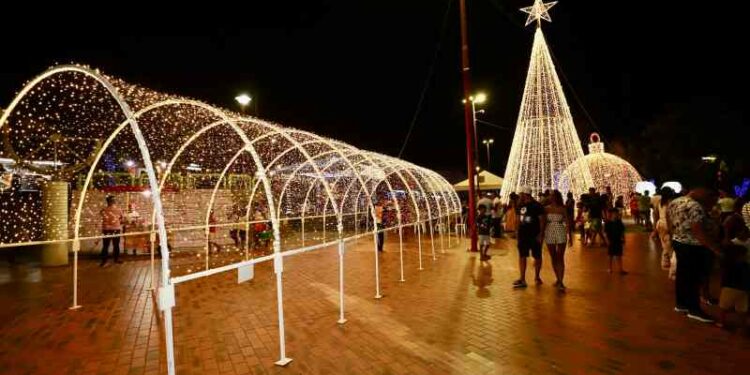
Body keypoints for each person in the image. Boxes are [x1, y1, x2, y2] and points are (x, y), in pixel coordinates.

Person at [668, 188, 721, 323]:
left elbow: (670, 221)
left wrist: (672, 237)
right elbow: (698, 231)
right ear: (702, 194)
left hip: (679, 241)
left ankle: (681, 304)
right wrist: (715, 248)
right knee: (693, 278)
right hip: (693, 246)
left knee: (683, 275)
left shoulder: (675, 202)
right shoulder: (696, 207)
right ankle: (694, 309)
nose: (710, 203)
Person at [717, 227, 749, 330]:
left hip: (729, 288)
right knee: (742, 310)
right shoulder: (745, 266)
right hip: (743, 289)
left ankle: (721, 322)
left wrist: (722, 286)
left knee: (723, 307)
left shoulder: (729, 265)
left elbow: (724, 276)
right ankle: (743, 325)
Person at [513, 187, 545, 289]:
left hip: (534, 234)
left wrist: (540, 234)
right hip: (523, 234)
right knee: (522, 255)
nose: (519, 196)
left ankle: (537, 276)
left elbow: (542, 221)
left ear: (525, 194)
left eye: (521, 194)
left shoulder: (537, 205)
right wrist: (517, 232)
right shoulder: (520, 205)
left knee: (537, 256)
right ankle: (522, 279)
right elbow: (518, 220)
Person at [542, 190, 572, 291]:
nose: (551, 197)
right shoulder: (546, 209)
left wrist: (570, 237)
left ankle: (560, 281)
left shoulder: (562, 208)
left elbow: (567, 222)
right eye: (550, 196)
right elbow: (543, 222)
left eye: (553, 196)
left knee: (560, 257)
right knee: (553, 256)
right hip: (549, 231)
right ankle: (558, 279)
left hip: (560, 231)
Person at [653, 187, 675, 274]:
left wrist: (655, 229)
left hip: (660, 224)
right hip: (667, 225)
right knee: (670, 246)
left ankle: (666, 263)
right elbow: (670, 217)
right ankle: (670, 265)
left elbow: (655, 215)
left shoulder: (660, 202)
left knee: (664, 244)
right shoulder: (671, 203)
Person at [100, 195, 124, 267]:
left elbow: (102, 215)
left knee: (105, 245)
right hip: (116, 229)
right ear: (114, 201)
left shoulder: (103, 210)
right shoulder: (119, 210)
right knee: (116, 245)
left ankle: (104, 261)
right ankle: (116, 259)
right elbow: (121, 218)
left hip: (106, 229)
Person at [604, 208, 627, 274]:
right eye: (615, 213)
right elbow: (605, 233)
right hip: (611, 240)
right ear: (612, 214)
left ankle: (620, 269)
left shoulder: (619, 222)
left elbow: (622, 231)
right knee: (610, 255)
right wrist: (607, 241)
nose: (616, 215)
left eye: (617, 213)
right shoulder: (608, 223)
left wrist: (623, 238)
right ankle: (609, 268)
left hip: (618, 240)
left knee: (619, 255)